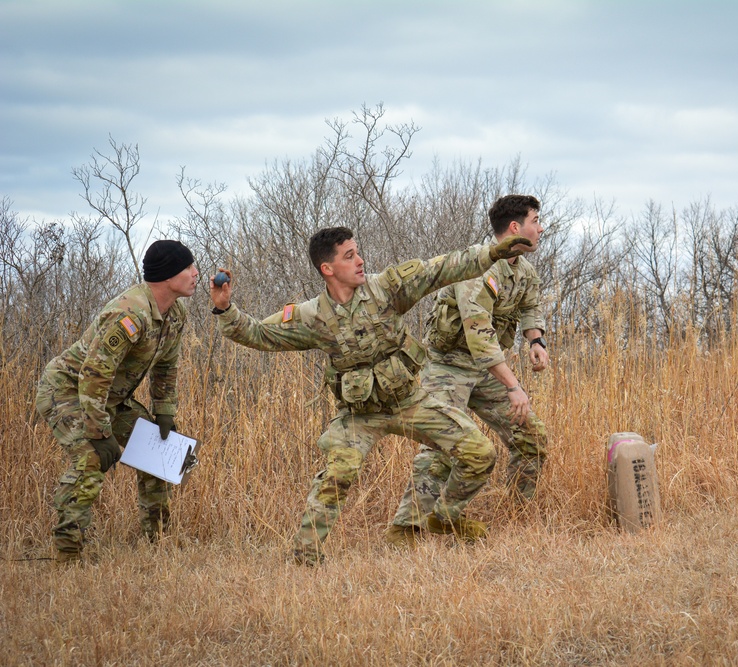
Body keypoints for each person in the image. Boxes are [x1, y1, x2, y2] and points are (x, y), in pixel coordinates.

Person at [208, 227, 532, 565]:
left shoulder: (386, 288)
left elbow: (441, 268)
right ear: (327, 269)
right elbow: (259, 333)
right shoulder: (311, 316)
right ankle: (305, 559)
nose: (361, 261)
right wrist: (224, 309)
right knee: (337, 474)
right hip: (357, 415)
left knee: (479, 452)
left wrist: (492, 253)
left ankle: (445, 515)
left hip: (410, 402)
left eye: (358, 252)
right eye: (349, 256)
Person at [386, 195, 549, 547]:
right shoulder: (478, 270)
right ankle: (406, 530)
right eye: (536, 220)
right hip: (449, 367)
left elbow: (531, 308)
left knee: (531, 438)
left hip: (485, 372)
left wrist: (537, 342)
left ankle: (515, 515)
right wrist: (514, 387)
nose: (541, 227)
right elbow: (480, 337)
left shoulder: (524, 271)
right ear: (515, 228)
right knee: (444, 446)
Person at [35, 240, 199, 562]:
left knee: (158, 451)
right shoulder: (130, 314)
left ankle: (158, 542)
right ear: (167, 276)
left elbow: (167, 367)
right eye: (188, 267)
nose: (195, 273)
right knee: (90, 461)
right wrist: (100, 432)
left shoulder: (175, 314)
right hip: (67, 390)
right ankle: (68, 555)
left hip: (107, 397)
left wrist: (164, 413)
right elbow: (93, 375)